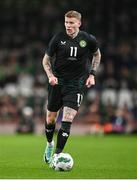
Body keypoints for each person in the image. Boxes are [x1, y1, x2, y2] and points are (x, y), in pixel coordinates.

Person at [42, 10, 101, 164]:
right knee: (50, 120)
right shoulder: (58, 39)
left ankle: (57, 155)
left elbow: (97, 54)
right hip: (57, 83)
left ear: (79, 24)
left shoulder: (88, 39)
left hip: (76, 85)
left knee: (67, 118)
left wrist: (92, 74)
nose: (68, 26)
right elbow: (46, 60)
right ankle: (49, 144)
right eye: (66, 22)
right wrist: (50, 76)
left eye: (71, 23)